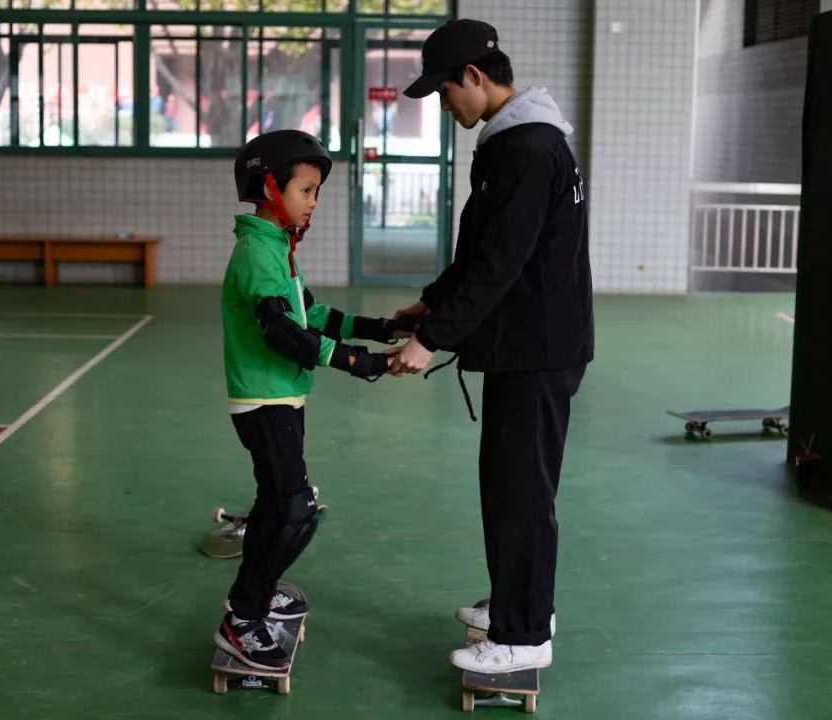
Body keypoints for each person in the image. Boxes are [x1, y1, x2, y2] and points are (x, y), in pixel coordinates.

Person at [394, 19, 594, 674]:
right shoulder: (512, 143)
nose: (445, 106)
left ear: (475, 78)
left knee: (522, 492)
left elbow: (501, 263)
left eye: (446, 92)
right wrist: (435, 301)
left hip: (536, 348)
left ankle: (525, 632)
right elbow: (482, 247)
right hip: (524, 344)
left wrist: (433, 338)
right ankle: (518, 600)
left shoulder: (530, 150)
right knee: (506, 484)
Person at [215, 129, 408, 670]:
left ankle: (258, 593)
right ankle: (244, 617)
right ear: (270, 187)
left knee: (279, 506)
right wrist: (358, 362)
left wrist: (381, 329)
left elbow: (312, 315)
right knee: (295, 510)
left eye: (317, 191)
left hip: (282, 397)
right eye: (306, 190)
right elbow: (281, 332)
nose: (313, 201)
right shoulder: (257, 250)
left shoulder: (277, 246)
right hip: (264, 399)